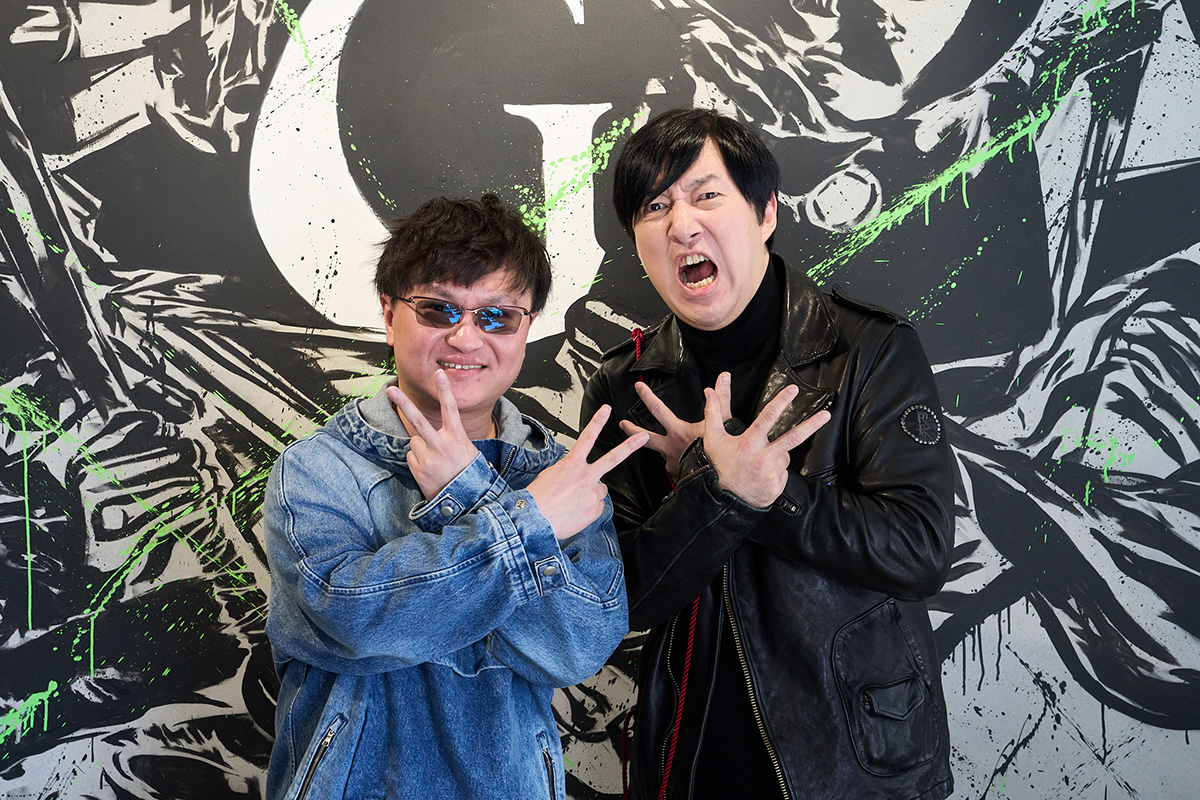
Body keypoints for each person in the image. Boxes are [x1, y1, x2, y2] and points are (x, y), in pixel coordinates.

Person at [582, 108, 955, 799]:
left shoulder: (868, 351)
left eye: (706, 195)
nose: (681, 224)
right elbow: (621, 597)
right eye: (654, 207)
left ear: (765, 213)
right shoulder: (625, 384)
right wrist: (712, 491)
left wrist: (767, 491)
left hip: (854, 759)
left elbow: (918, 551)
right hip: (691, 756)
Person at [263, 194, 646, 800]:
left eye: (498, 317)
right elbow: (357, 621)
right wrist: (529, 523)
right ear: (389, 312)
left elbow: (576, 650)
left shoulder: (562, 475)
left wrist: (468, 495)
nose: (466, 338)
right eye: (439, 309)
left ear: (527, 328)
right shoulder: (316, 470)